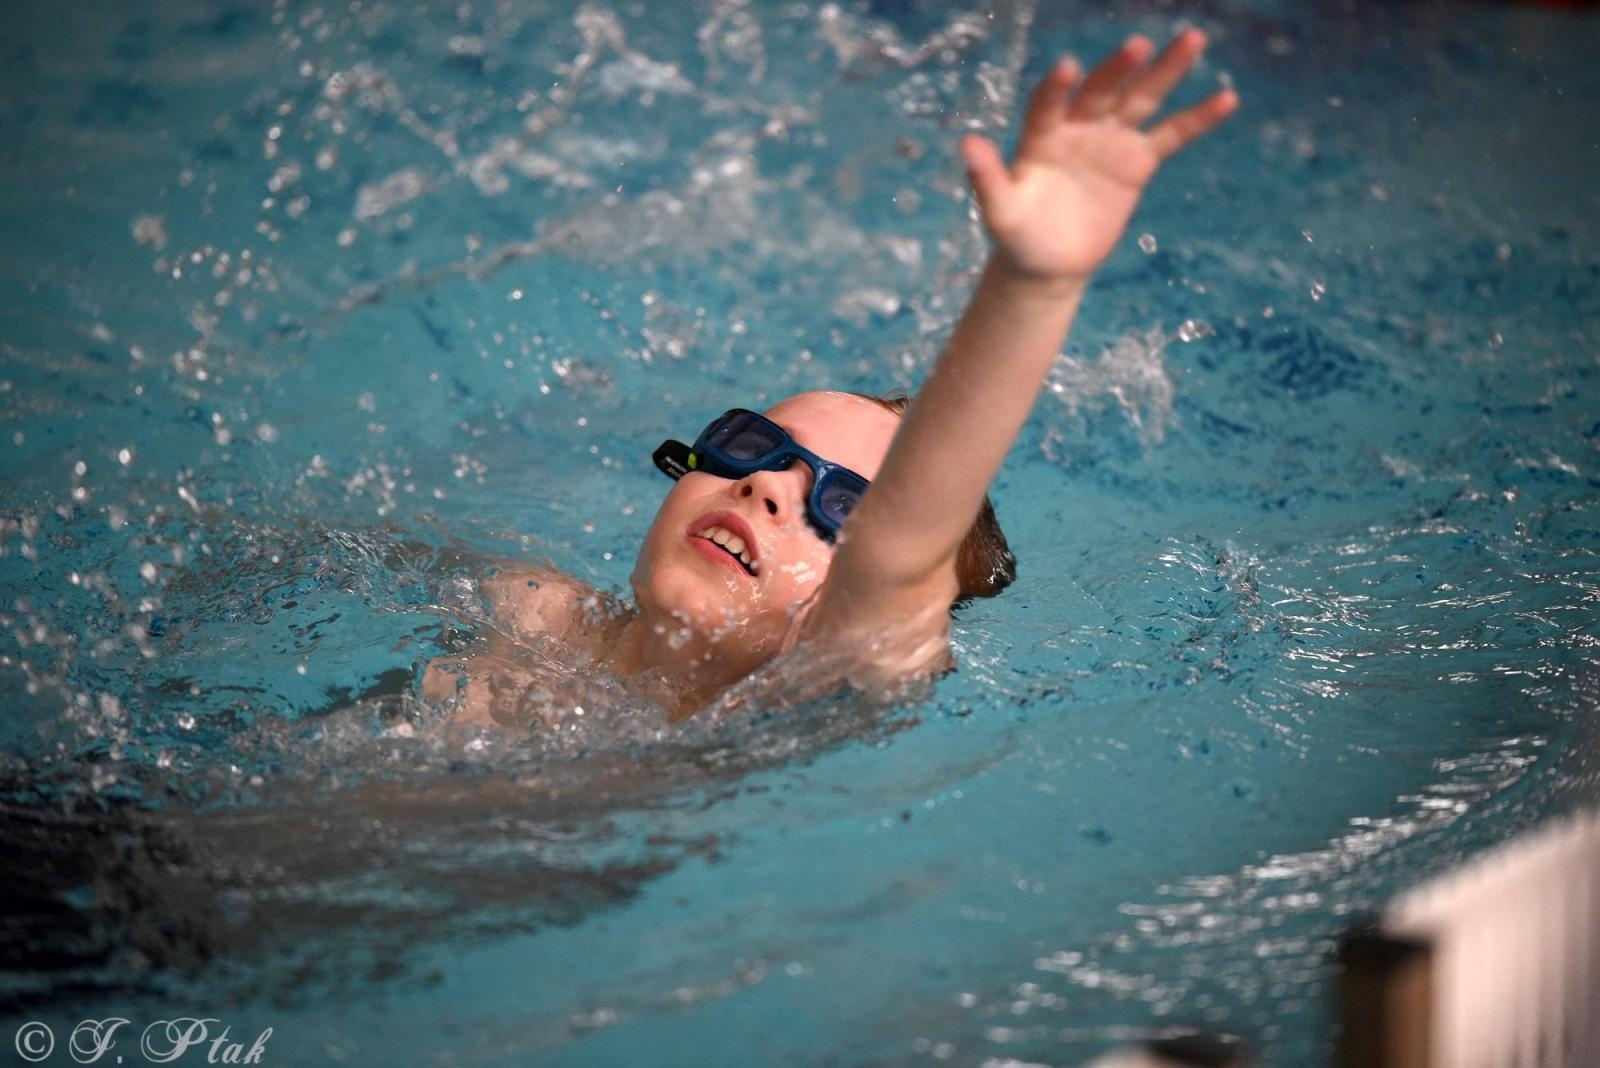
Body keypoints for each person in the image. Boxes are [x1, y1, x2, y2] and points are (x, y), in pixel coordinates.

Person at [422, 30, 1239, 726]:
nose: (767, 489)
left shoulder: (806, 696)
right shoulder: (531, 609)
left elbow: (904, 552)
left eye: (842, 507)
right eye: (754, 446)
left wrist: (1035, 283)